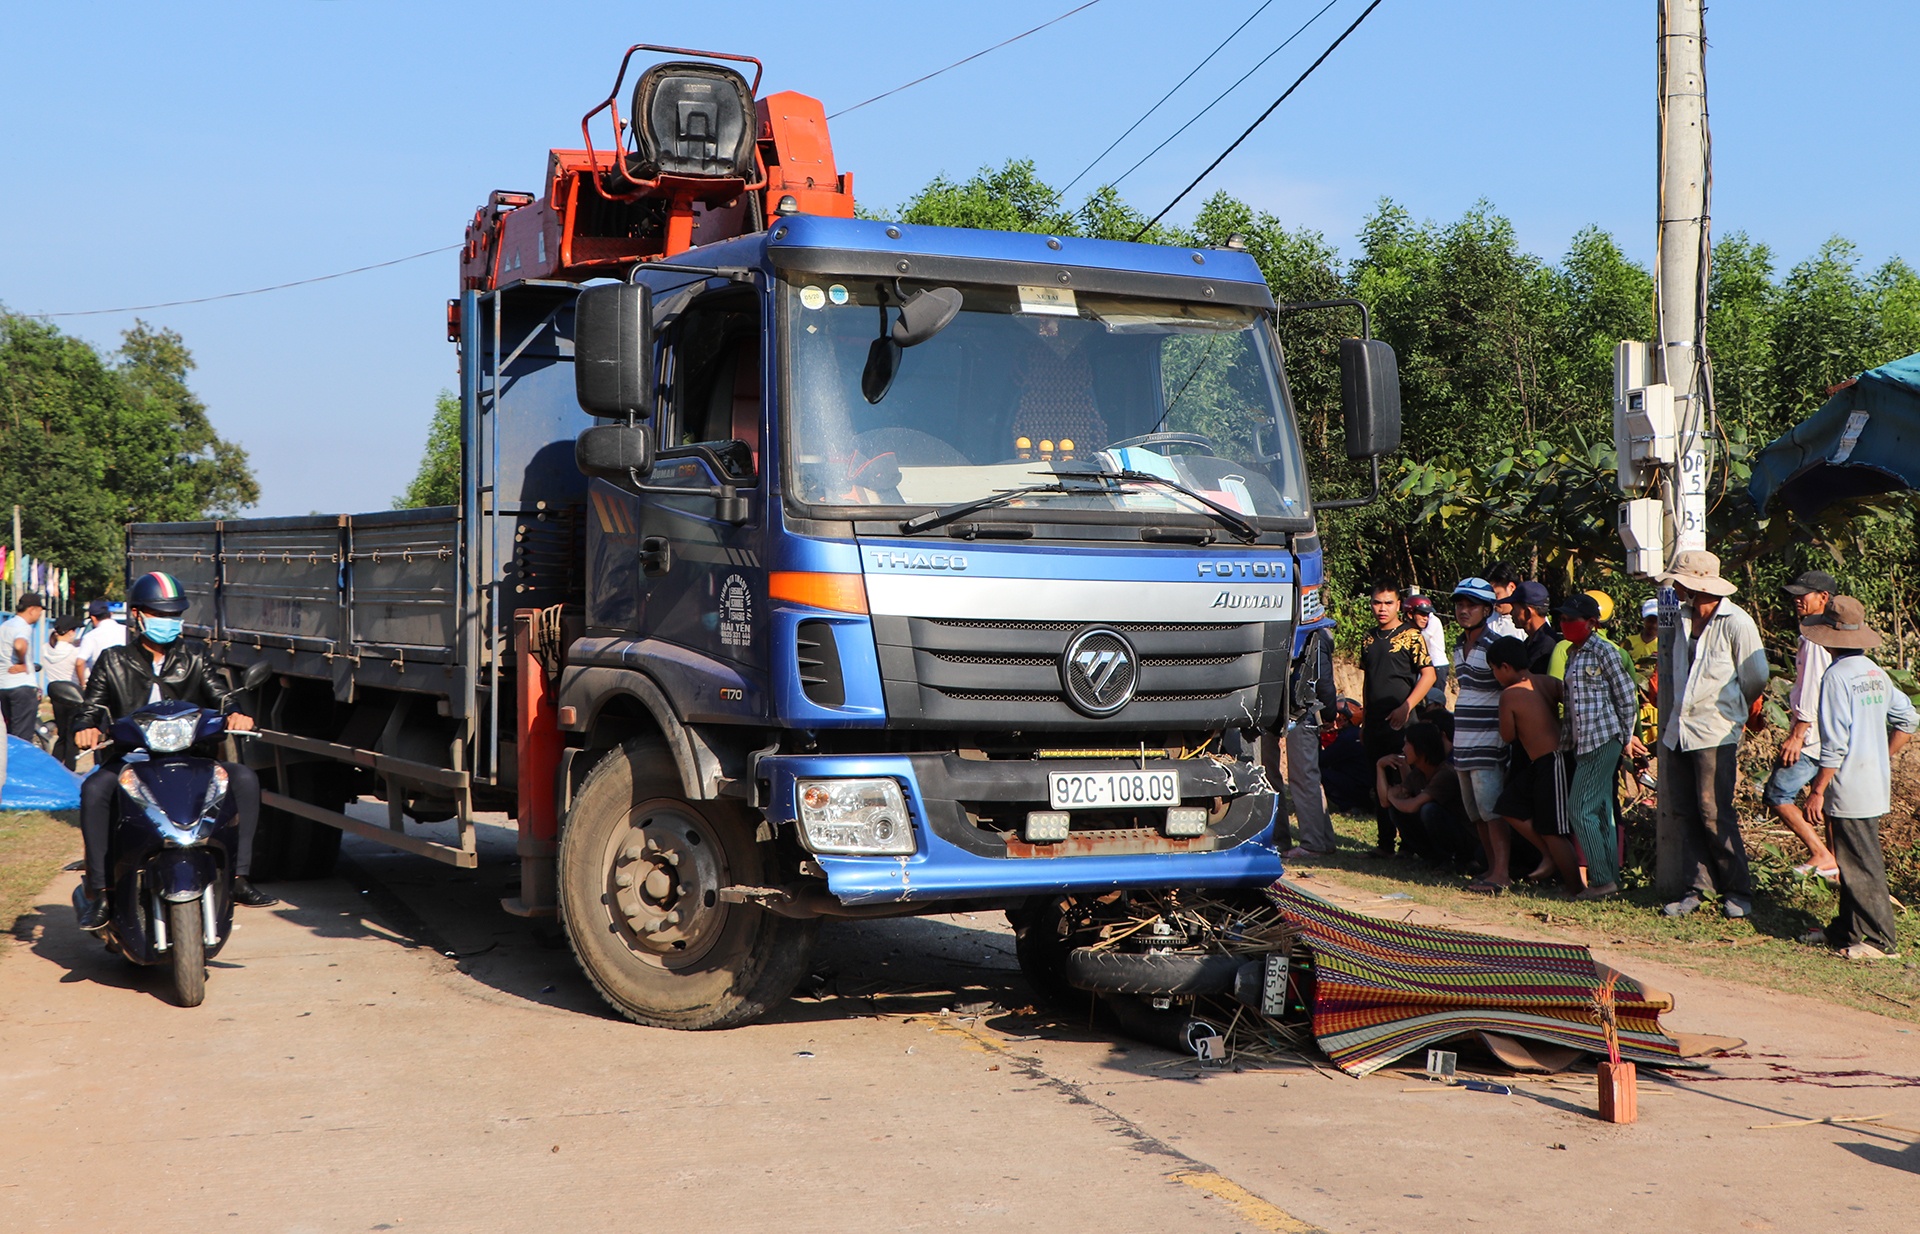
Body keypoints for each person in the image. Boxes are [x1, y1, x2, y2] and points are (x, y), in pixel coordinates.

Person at [71, 572, 277, 930]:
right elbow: (91, 708)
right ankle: (101, 892)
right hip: (130, 760)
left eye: (174, 614)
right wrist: (84, 728)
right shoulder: (112, 660)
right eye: (158, 613)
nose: (168, 621)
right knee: (94, 789)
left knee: (243, 778)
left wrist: (238, 713)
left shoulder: (196, 656)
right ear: (137, 615)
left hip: (190, 759)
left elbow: (223, 695)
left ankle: (240, 878)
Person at [1801, 597, 1917, 960]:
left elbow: (1835, 743)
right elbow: (1908, 719)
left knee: (1862, 864)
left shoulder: (1836, 677)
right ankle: (1847, 930)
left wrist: (1817, 790)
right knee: (1852, 860)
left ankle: (1880, 941)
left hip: (1848, 785)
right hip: (1872, 781)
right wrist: (1882, 754)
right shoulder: (1874, 672)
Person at [1656, 550, 1768, 919]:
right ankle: (1697, 887)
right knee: (1685, 810)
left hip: (1715, 731)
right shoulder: (1681, 618)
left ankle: (1737, 889)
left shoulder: (1737, 622)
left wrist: (1734, 712)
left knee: (1714, 811)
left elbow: (1755, 677)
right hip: (1679, 728)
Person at [1556, 592, 1646, 899]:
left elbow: (1626, 697)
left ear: (1592, 623)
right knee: (1600, 809)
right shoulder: (1572, 654)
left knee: (1579, 809)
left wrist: (1624, 737)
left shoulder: (1604, 652)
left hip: (1603, 738)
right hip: (1583, 742)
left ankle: (1601, 880)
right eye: (1563, 618)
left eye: (1571, 619)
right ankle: (1609, 877)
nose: (1564, 623)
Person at [1483, 636, 1579, 892]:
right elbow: (1572, 702)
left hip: (1554, 761)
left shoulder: (1510, 695)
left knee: (1553, 829)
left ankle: (1576, 888)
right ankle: (1547, 853)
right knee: (1509, 805)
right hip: (1542, 764)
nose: (1495, 675)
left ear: (1504, 667)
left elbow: (1507, 736)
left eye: (1494, 669)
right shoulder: (1546, 682)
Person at [1765, 569, 1841, 880]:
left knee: (1777, 794)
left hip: (1812, 738)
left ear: (1823, 598)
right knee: (1829, 804)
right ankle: (1836, 865)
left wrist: (1797, 734)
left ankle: (1821, 853)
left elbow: (1812, 687)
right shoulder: (1834, 634)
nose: (1798, 599)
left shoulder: (1814, 638)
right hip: (1832, 736)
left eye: (1804, 594)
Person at [1359, 581, 1435, 857]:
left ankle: (1411, 844)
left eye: (1388, 603)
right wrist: (1365, 722)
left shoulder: (1411, 635)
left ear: (1398, 605)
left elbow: (1429, 675)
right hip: (1375, 722)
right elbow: (1369, 682)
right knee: (1378, 781)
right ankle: (1384, 844)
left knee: (1406, 782)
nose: (1382, 608)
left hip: (1403, 723)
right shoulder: (1368, 638)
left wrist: (1407, 706)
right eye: (1377, 602)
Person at [1448, 579, 1507, 877]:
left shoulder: (1497, 646)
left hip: (1489, 740)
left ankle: (1501, 872)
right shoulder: (1459, 644)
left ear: (1487, 609)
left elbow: (1511, 690)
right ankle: (1489, 867)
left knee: (1491, 811)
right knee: (1475, 813)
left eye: (1471, 605)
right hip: (1464, 741)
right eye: (1460, 604)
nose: (1463, 610)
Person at [1380, 721, 1474, 867]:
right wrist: (1379, 767)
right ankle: (1432, 858)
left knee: (1428, 810)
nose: (1403, 749)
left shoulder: (1445, 773)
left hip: (1464, 838)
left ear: (1421, 747)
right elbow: (1385, 803)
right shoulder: (1418, 774)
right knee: (1397, 810)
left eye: (1407, 744)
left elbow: (1411, 806)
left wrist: (1391, 797)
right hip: (1444, 833)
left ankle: (1451, 860)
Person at [1282, 626, 1339, 858]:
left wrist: (1329, 714)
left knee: (1304, 777)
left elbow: (1324, 681)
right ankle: (1322, 840)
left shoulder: (1314, 635)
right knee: (1307, 777)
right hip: (1299, 711)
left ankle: (1313, 843)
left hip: (1303, 711)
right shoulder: (1314, 633)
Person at [42, 614, 87, 770]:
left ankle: (53, 767)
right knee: (72, 736)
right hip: (73, 695)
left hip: (56, 695)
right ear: (69, 632)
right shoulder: (74, 652)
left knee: (61, 734)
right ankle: (70, 769)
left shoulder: (45, 649)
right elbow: (82, 671)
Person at [0, 591, 46, 741]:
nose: (39, 616)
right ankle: (18, 765)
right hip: (22, 687)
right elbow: (20, 645)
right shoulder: (23, 626)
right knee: (22, 737)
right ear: (32, 609)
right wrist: (23, 663)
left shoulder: (5, 626)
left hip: (4, 686)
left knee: (9, 735)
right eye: (39, 611)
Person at [1319, 699, 1374, 814]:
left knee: (1317, 771)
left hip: (1359, 790)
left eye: (1337, 715)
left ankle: (1349, 805)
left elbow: (1320, 760)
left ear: (1344, 719)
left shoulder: (1346, 738)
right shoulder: (1358, 734)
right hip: (1368, 788)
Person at [1405, 594, 1450, 708]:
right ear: (1410, 614)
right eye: (1422, 613)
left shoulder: (1433, 621)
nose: (1426, 617)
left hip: (1437, 664)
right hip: (1426, 665)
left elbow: (1422, 638)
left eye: (1427, 614)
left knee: (1435, 702)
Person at [1512, 580, 1561, 674]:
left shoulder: (1546, 645)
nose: (1511, 613)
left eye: (1514, 608)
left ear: (1527, 613)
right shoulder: (1531, 641)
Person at [77, 598, 127, 670]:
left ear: (93, 618)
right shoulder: (126, 630)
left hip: (100, 678)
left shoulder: (90, 636)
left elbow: (79, 663)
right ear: (110, 614)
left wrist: (82, 681)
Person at [1486, 563, 1521, 638]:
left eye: (1495, 595)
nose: (1492, 601)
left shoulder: (1528, 620)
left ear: (1511, 587)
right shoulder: (1486, 617)